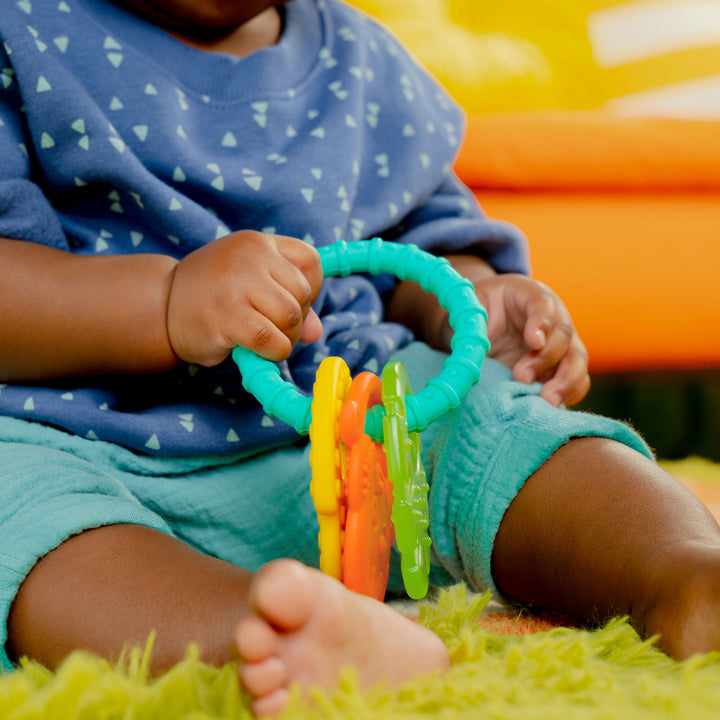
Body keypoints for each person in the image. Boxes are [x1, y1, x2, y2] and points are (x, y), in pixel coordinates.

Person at [2, 0, 720, 716]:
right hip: (87, 440)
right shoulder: (22, 32)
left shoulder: (360, 58)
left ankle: (683, 571)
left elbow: (423, 242)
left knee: (500, 420)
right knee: (24, 522)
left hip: (360, 416)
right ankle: (268, 634)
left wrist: (472, 299)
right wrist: (163, 304)